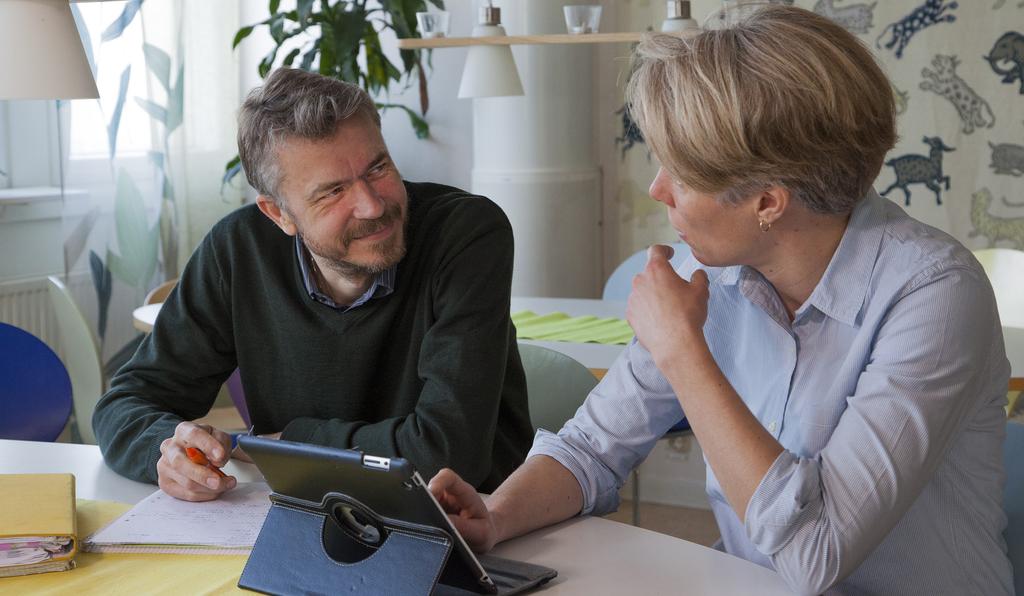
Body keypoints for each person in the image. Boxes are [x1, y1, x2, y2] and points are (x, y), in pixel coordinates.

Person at [428, 6, 1014, 595]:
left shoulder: (934, 296)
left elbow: (816, 555)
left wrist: (682, 348)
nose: (658, 189)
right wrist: (497, 515)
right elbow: (591, 449)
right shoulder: (710, 269)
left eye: (680, 173)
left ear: (768, 202)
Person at [94, 68, 534, 502]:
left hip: (479, 526)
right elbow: (124, 405)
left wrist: (290, 439)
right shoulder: (238, 249)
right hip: (314, 514)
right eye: (332, 192)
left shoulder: (466, 233)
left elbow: (447, 457)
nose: (370, 204)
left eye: (378, 167)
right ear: (278, 214)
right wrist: (165, 452)